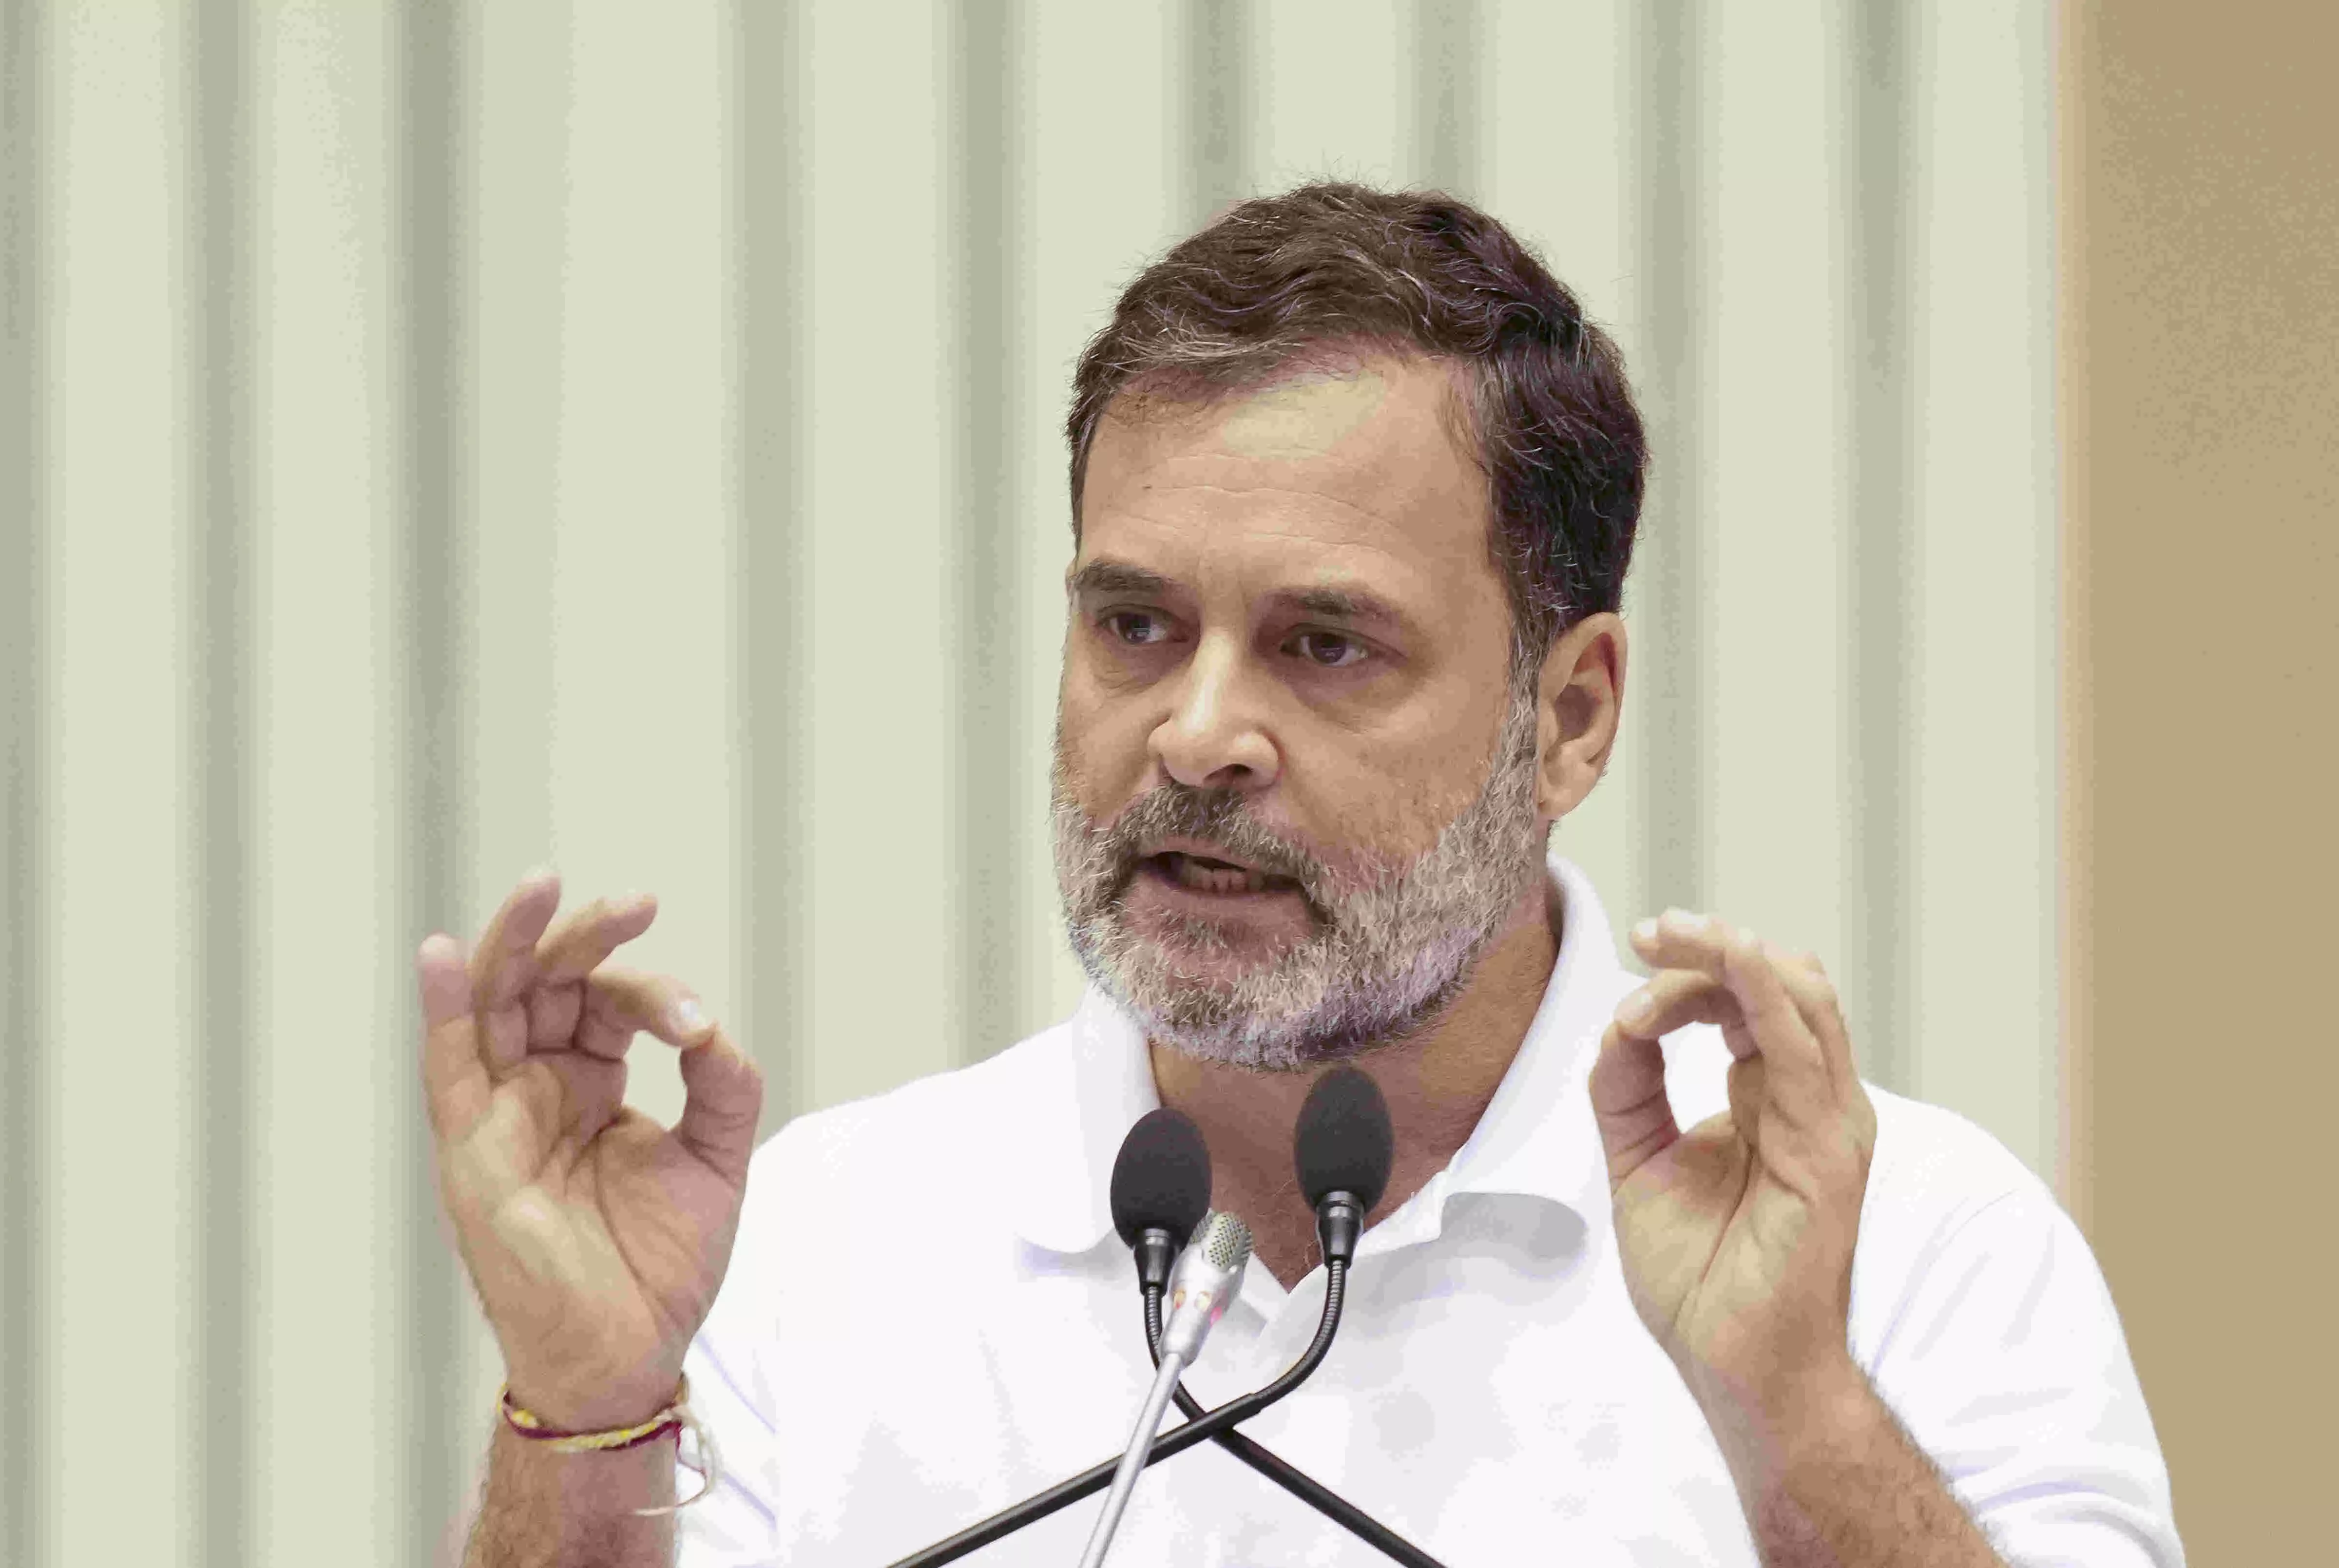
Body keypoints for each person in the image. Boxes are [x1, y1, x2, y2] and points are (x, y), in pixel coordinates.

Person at [422, 183, 2183, 1567]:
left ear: (1569, 716)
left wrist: (1795, 1420)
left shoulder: (1911, 1256)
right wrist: (585, 1414)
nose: (1197, 737)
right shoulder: (823, 1245)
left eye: (1324, 645)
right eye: (1135, 627)